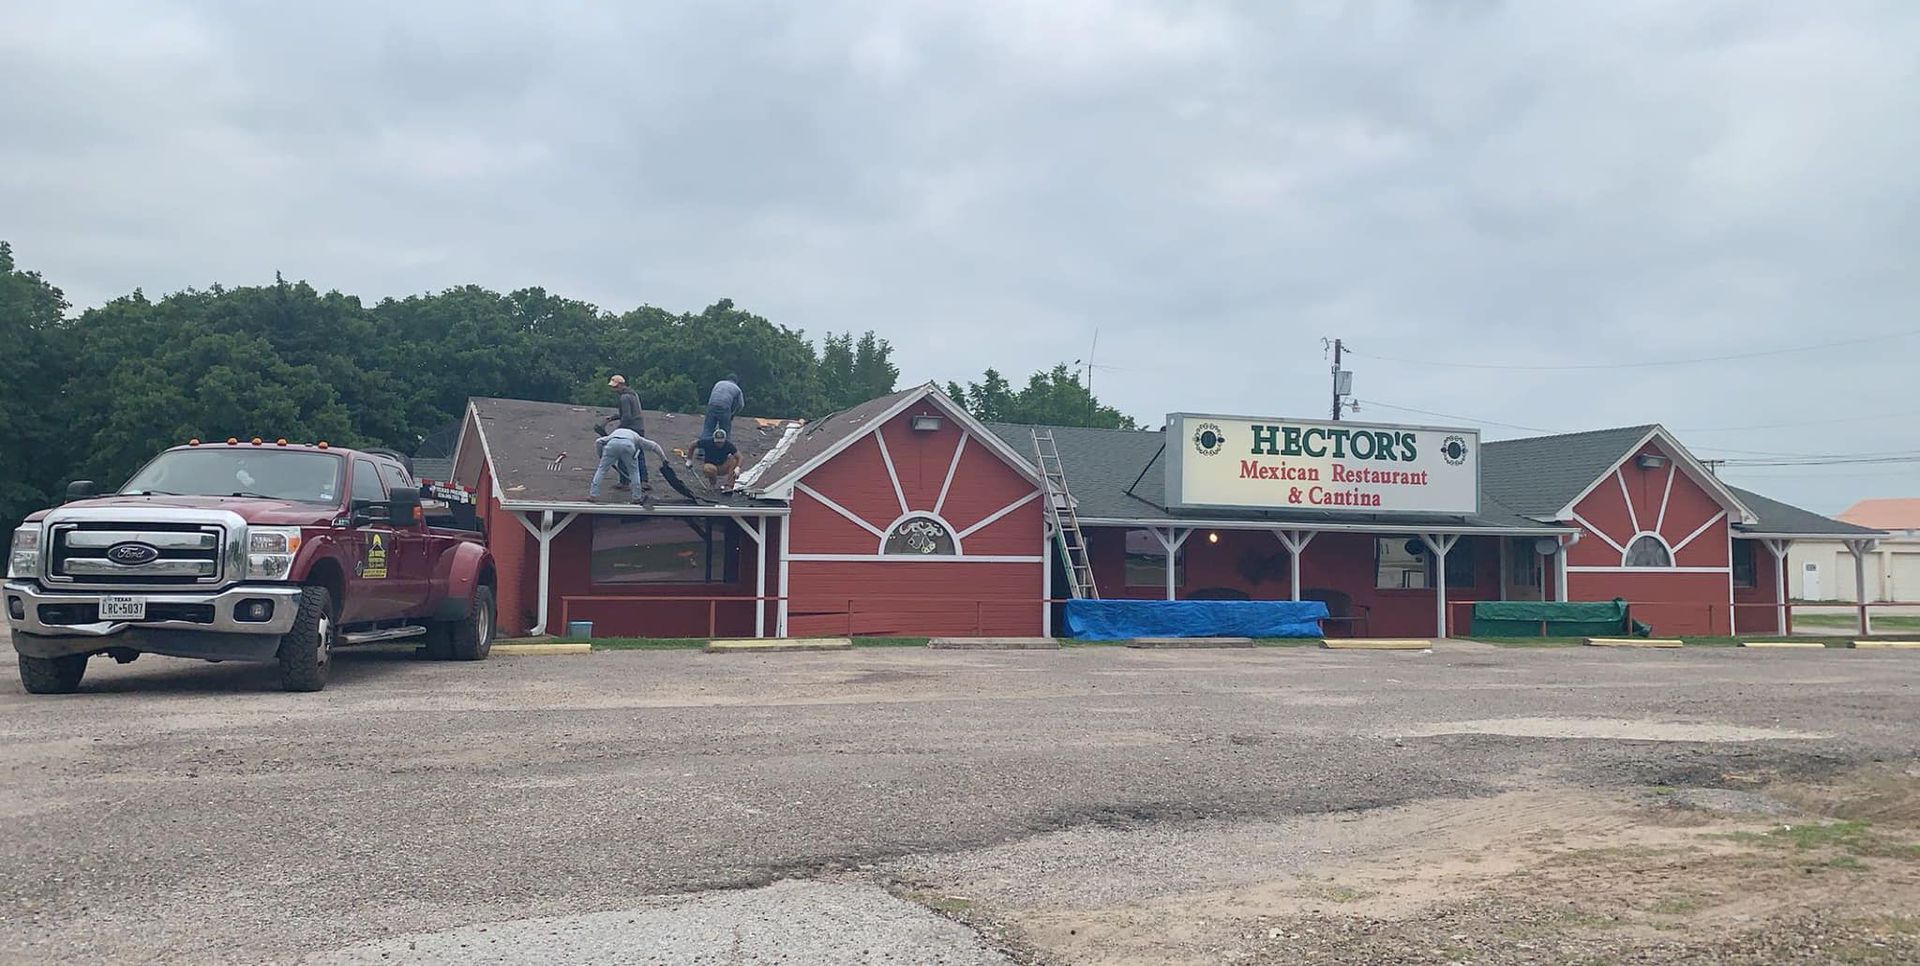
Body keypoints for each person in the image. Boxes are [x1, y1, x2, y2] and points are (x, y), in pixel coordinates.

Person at [591, 421, 664, 506]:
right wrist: (664, 459)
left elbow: (598, 441)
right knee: (634, 472)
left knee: (601, 470)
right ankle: (636, 497)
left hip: (612, 445)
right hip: (628, 446)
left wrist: (601, 455)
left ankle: (593, 495)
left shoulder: (615, 433)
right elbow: (655, 446)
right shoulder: (636, 437)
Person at [608, 375, 644, 488]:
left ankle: (624, 481)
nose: (614, 389)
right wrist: (613, 417)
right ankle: (644, 481)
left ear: (621, 385)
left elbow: (627, 417)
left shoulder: (624, 398)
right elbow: (630, 413)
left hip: (631, 428)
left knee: (622, 453)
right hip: (639, 427)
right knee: (639, 454)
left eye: (615, 387)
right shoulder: (633, 394)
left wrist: (619, 430)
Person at [698, 373, 743, 447]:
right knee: (725, 431)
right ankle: (725, 450)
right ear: (736, 381)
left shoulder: (719, 383)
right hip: (724, 408)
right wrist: (733, 414)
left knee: (708, 429)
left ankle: (702, 450)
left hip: (711, 406)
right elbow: (741, 405)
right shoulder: (737, 389)